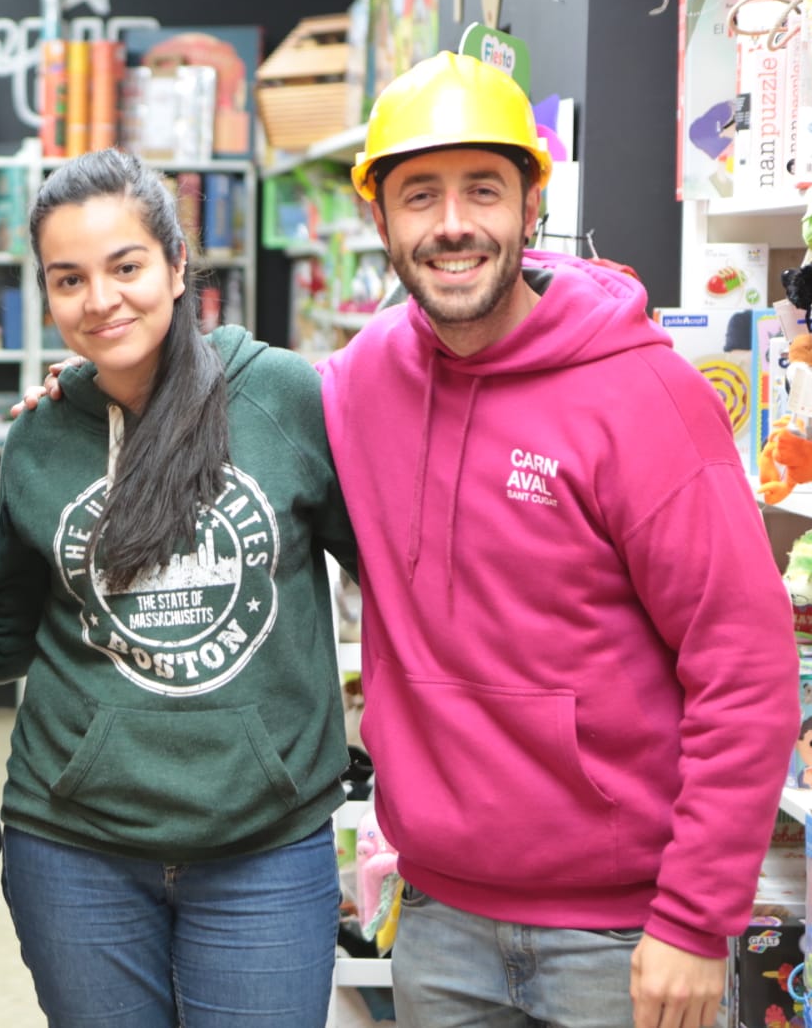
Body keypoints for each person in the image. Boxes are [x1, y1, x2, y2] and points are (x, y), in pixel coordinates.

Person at [319, 51, 799, 1028]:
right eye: (420, 195)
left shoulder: (645, 397)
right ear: (380, 218)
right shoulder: (360, 382)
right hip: (443, 919)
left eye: (482, 190)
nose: (452, 224)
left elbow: (745, 670)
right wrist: (76, 404)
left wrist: (696, 920)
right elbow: (228, 407)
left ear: (532, 202)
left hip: (623, 937)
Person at [0, 148, 358, 1027]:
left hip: (265, 844)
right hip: (75, 848)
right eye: (67, 279)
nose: (100, 299)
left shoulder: (281, 398)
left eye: (126, 266)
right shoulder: (40, 439)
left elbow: (389, 572)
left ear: (178, 266)